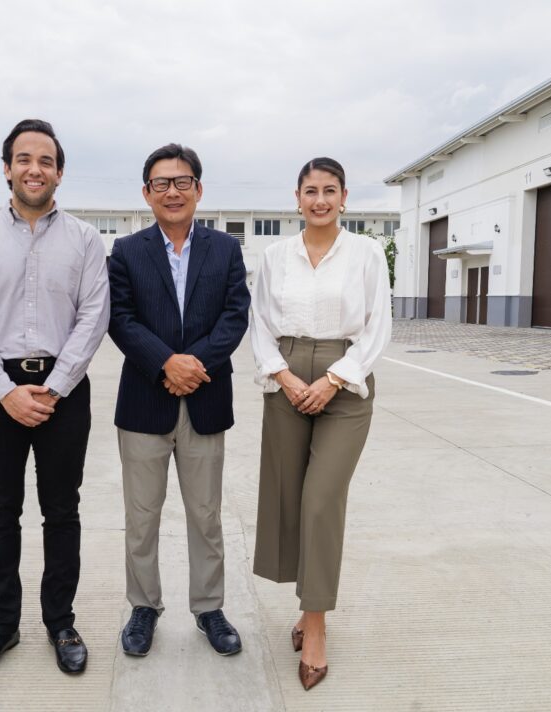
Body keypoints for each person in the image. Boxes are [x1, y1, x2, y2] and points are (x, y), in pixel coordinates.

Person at [0, 119, 109, 679]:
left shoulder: (85, 240)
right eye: (24, 159)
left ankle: (60, 622)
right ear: (7, 169)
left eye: (45, 161)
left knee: (62, 511)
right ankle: (1, 626)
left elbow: (94, 316)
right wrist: (4, 391)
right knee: (0, 513)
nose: (34, 169)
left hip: (64, 390)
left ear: (60, 172)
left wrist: (56, 386)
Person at [250, 157, 392, 690]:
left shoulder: (366, 253)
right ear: (297, 198)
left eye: (330, 191)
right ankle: (306, 607)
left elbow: (378, 326)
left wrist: (333, 380)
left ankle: (315, 627)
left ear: (344, 197)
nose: (320, 200)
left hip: (345, 382)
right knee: (290, 500)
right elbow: (260, 323)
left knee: (320, 501)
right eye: (311, 191)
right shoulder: (275, 256)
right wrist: (285, 377)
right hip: (286, 377)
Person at [107, 143, 250, 658]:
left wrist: (193, 366)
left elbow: (235, 315)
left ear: (198, 189)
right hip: (144, 402)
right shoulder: (126, 251)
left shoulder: (225, 249)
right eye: (162, 183)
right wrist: (166, 362)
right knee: (142, 517)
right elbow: (119, 318)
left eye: (182, 181)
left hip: (205, 401)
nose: (173, 191)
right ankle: (144, 606)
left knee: (206, 515)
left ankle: (209, 608)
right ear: (147, 193)